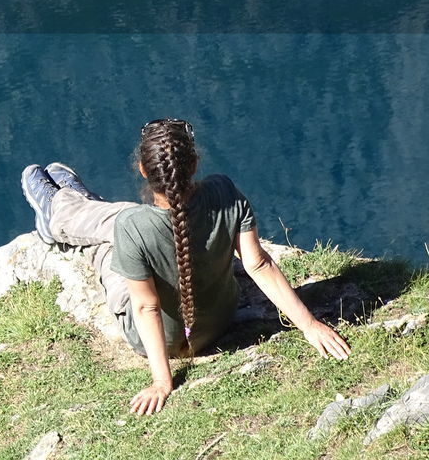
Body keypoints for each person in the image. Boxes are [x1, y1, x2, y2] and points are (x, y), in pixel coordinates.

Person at [20, 118, 350, 415]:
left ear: (143, 170)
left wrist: (162, 381)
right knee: (127, 224)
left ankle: (62, 209)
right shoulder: (224, 192)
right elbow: (258, 264)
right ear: (194, 164)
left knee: (109, 244)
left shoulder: (134, 226)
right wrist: (309, 325)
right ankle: (73, 203)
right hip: (218, 321)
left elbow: (146, 305)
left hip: (156, 341)